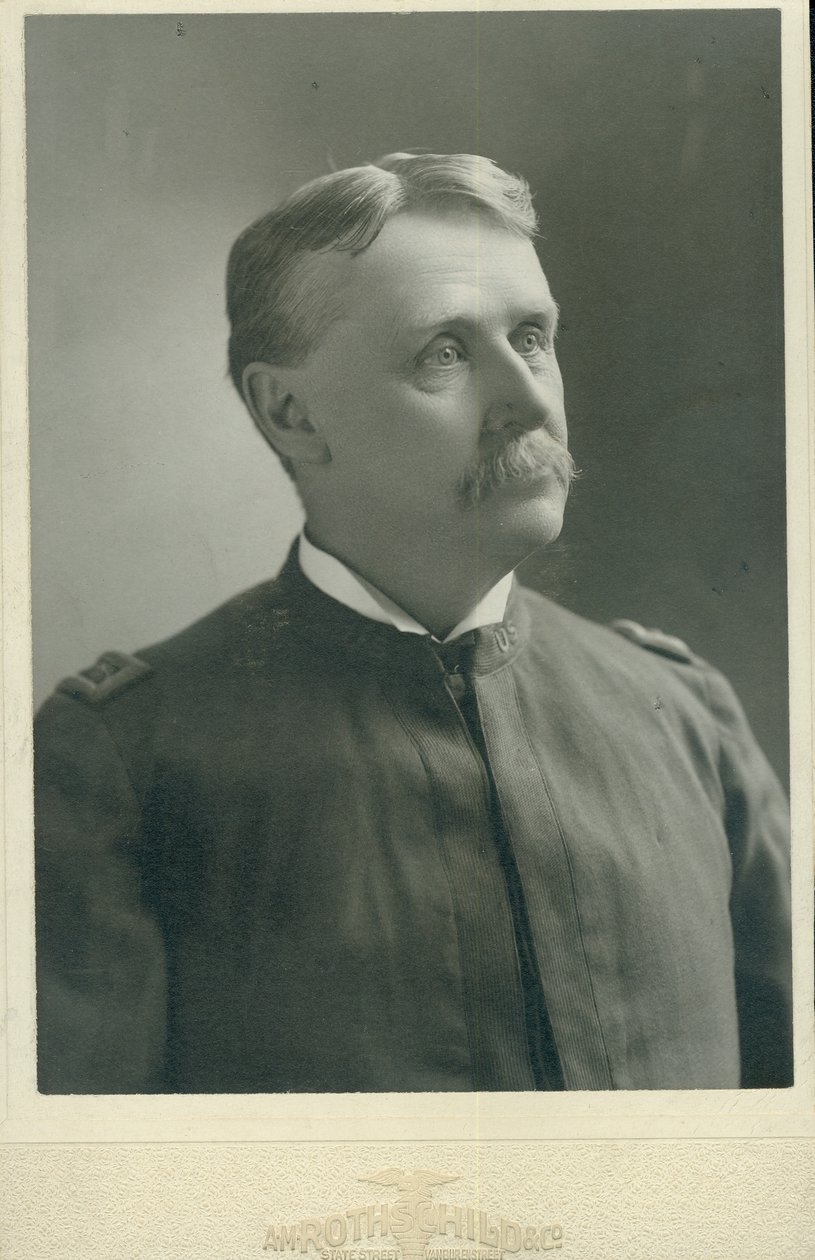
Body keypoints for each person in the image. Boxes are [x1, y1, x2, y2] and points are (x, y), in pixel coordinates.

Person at [34, 152, 792, 1095]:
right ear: (289, 412)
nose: (529, 400)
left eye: (531, 337)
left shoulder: (683, 719)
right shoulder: (124, 763)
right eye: (444, 352)